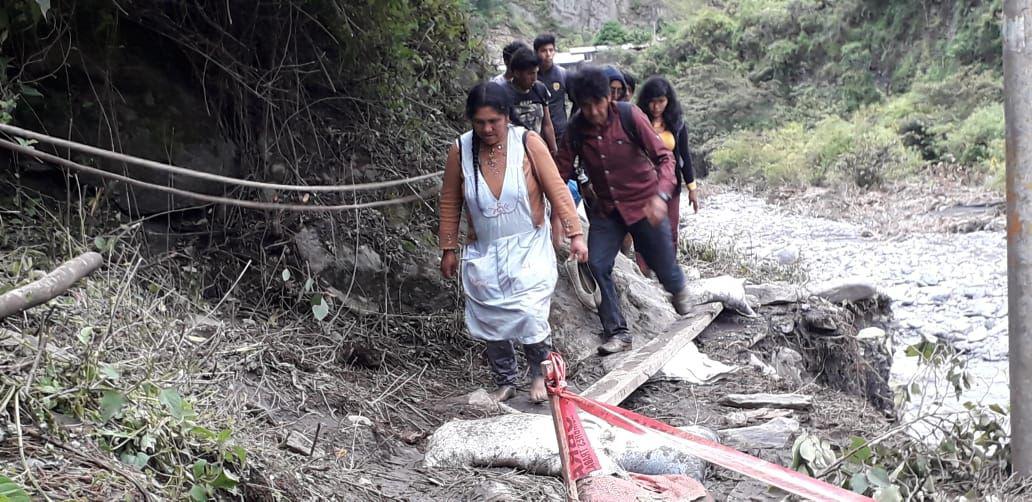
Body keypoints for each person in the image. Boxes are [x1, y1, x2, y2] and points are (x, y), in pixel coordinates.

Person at [438, 82, 588, 402]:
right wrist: (448, 249)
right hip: (484, 249)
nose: (487, 129)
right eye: (479, 122)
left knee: (531, 311)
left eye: (494, 121)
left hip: (528, 246)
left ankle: (540, 374)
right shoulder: (461, 150)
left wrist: (575, 233)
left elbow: (557, 189)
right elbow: (450, 201)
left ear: (507, 116)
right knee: (491, 315)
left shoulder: (528, 142)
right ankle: (505, 379)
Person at [555, 66, 695, 355]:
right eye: (585, 105)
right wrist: (560, 215)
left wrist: (661, 196)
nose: (593, 111)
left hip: (645, 203)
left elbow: (665, 158)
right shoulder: (576, 129)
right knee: (597, 264)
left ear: (609, 97)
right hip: (607, 211)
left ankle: (678, 289)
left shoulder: (630, 116)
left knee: (664, 268)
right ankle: (617, 331)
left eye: (597, 103)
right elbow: (559, 173)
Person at [632, 76, 700, 275]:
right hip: (643, 184)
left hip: (670, 184)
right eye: (653, 101)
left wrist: (692, 188)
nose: (656, 106)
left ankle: (667, 271)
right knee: (644, 229)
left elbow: (684, 156)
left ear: (668, 100)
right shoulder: (637, 121)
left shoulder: (676, 123)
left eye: (661, 101)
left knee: (670, 229)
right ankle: (643, 271)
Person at [505, 47, 559, 154]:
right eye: (530, 74)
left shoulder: (540, 89)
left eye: (536, 73)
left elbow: (547, 124)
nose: (534, 78)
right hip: (514, 150)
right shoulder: (504, 93)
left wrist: (554, 150)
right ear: (516, 73)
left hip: (537, 148)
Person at [534, 33, 570, 141]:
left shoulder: (563, 74)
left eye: (551, 50)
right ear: (536, 53)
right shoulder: (531, 76)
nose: (548, 54)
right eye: (544, 51)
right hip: (537, 134)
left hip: (560, 132)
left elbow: (577, 101)